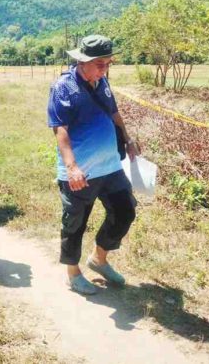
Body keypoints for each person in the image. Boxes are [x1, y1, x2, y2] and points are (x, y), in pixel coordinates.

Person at [47, 35, 140, 295]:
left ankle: (99, 259)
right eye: (100, 64)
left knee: (125, 211)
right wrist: (72, 167)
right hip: (81, 171)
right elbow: (60, 129)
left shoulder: (102, 82)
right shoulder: (63, 87)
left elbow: (114, 113)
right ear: (83, 61)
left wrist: (128, 138)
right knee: (75, 222)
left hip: (110, 166)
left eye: (108, 63)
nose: (105, 68)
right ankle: (73, 273)